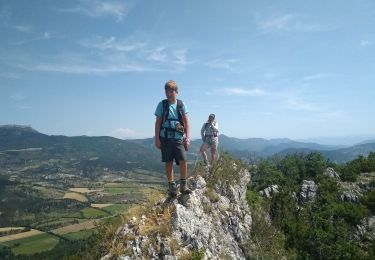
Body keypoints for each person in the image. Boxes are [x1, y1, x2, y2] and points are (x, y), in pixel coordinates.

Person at [154, 80, 192, 198]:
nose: (168, 93)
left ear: (176, 92)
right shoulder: (162, 104)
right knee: (168, 161)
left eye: (171, 91)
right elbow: (158, 123)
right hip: (165, 138)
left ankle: (183, 185)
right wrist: (157, 139)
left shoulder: (181, 105)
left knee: (183, 160)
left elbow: (186, 122)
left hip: (178, 138)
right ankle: (171, 186)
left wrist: (187, 138)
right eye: (167, 91)